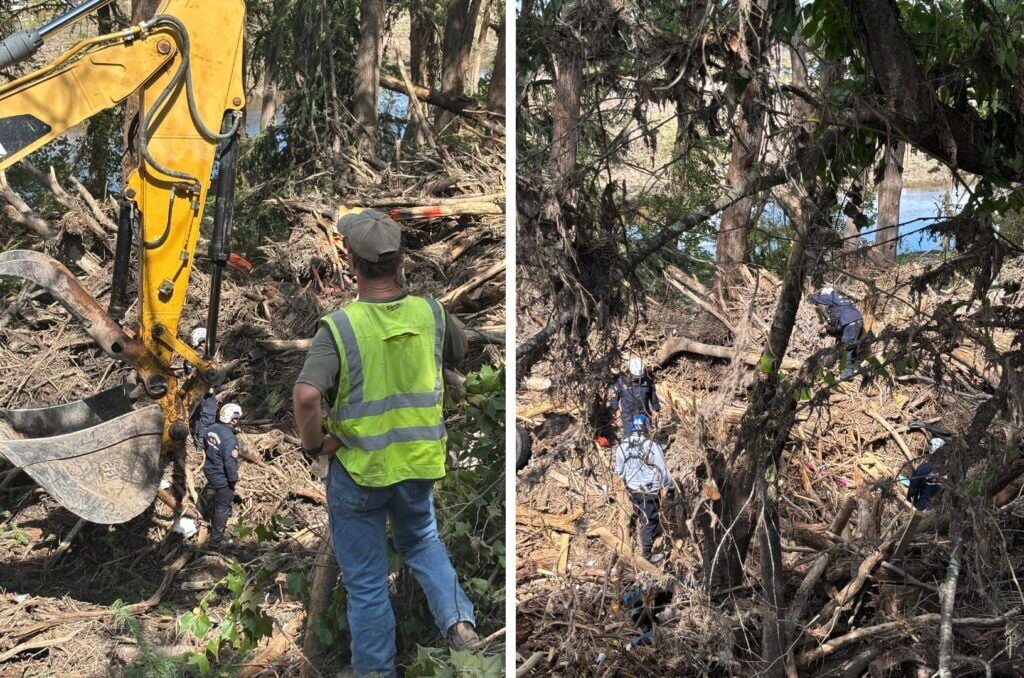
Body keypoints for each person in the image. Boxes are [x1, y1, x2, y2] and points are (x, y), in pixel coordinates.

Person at [292, 209, 477, 677]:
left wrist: (315, 446)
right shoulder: (431, 313)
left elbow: (307, 395)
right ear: (401, 261)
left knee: (368, 586)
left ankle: (375, 673)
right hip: (417, 465)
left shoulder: (341, 327)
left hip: (358, 472)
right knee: (424, 542)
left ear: (350, 261)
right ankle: (459, 623)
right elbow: (460, 348)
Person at [614, 416, 672, 562]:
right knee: (650, 520)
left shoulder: (622, 447)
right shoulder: (652, 446)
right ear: (647, 427)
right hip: (650, 490)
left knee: (644, 515)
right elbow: (662, 470)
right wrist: (670, 487)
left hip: (633, 489)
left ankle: (651, 533)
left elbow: (619, 472)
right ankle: (647, 554)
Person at [203, 402, 242, 547]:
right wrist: (233, 480)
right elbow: (230, 462)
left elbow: (206, 445)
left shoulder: (211, 429)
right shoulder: (230, 439)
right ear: (232, 419)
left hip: (209, 470)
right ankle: (216, 541)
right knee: (223, 507)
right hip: (221, 476)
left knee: (216, 498)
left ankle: (203, 513)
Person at [810, 287, 863, 379]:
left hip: (849, 322)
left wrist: (815, 292)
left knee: (848, 347)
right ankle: (850, 368)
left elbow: (814, 298)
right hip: (856, 320)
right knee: (851, 345)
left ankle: (847, 373)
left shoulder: (828, 296)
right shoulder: (839, 297)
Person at [610, 356, 661, 434]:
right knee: (629, 437)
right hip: (628, 415)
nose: (638, 379)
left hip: (644, 413)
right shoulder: (621, 381)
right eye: (636, 377)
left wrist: (656, 409)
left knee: (647, 436)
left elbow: (653, 395)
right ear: (630, 371)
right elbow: (614, 396)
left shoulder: (648, 380)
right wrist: (616, 410)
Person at [907, 435, 946, 511]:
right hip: (944, 510)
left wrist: (912, 500)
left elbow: (913, 488)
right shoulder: (951, 468)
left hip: (924, 507)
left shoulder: (924, 468)